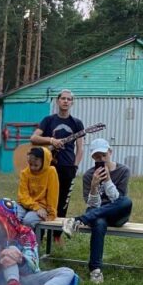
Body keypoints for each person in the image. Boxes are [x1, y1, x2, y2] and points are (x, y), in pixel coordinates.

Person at [61, 138, 132, 284]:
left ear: (110, 152)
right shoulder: (89, 175)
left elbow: (117, 200)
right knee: (99, 222)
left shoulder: (123, 170)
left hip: (117, 214)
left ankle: (78, 220)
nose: (101, 159)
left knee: (126, 201)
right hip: (97, 212)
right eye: (97, 157)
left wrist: (107, 181)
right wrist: (94, 187)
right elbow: (92, 205)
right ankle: (95, 270)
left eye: (104, 155)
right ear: (93, 157)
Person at [0, 199, 78, 285]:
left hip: (28, 280)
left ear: (6, 219)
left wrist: (20, 260)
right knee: (10, 251)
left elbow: (33, 267)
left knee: (68, 272)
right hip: (2, 282)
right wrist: (0, 258)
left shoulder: (26, 233)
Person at [30, 90, 84, 225]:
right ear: (57, 101)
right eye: (63, 98)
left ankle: (57, 235)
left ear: (72, 102)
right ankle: (40, 233)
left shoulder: (77, 123)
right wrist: (51, 140)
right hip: (49, 166)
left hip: (67, 167)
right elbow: (33, 138)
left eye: (69, 99)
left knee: (63, 200)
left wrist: (75, 166)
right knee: (45, 198)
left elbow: (80, 148)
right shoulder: (48, 120)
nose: (66, 101)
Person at [16, 146, 59, 230]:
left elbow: (53, 195)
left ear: (44, 162)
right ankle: (12, 241)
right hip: (25, 205)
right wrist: (36, 207)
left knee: (27, 221)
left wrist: (51, 213)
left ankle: (28, 242)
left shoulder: (51, 172)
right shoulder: (25, 173)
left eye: (36, 165)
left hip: (43, 207)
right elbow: (23, 196)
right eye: (30, 164)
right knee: (12, 216)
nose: (32, 167)